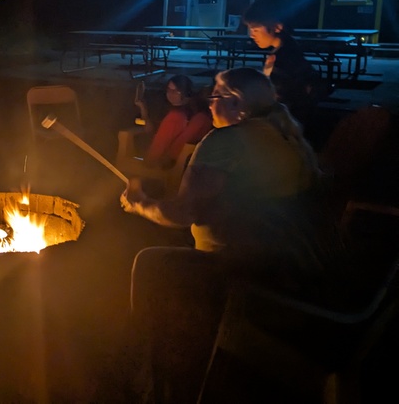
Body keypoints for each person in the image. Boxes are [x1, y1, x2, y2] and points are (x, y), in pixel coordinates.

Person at [119, 67, 332, 404]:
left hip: (251, 272)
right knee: (177, 246)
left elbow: (182, 212)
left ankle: (156, 372)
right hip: (294, 264)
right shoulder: (285, 138)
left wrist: (142, 204)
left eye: (215, 96)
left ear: (237, 105)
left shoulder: (225, 141)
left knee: (150, 263)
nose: (209, 103)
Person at [242, 0, 326, 128]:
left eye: (255, 30)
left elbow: (279, 99)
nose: (252, 35)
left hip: (285, 126)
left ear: (277, 27)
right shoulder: (289, 49)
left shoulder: (283, 60)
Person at [125, 74, 212, 170]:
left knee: (126, 139)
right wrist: (143, 109)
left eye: (176, 91)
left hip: (167, 165)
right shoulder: (197, 112)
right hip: (188, 164)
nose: (170, 94)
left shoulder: (176, 116)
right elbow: (159, 132)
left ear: (186, 93)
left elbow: (158, 147)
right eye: (169, 90)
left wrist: (147, 162)